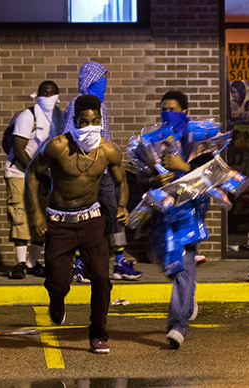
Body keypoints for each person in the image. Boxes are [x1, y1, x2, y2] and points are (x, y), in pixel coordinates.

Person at [25, 95, 129, 354]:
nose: (90, 126)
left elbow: (122, 181)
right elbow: (32, 175)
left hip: (92, 222)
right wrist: (36, 215)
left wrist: (123, 206)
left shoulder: (108, 150)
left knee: (102, 280)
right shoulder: (57, 146)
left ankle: (98, 334)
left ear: (101, 121)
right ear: (74, 121)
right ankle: (57, 298)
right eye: (84, 122)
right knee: (58, 281)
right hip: (59, 223)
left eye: (96, 121)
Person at [137, 91, 211, 349]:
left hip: (188, 212)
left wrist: (183, 166)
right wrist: (152, 180)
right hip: (161, 213)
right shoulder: (154, 141)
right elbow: (140, 177)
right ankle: (188, 299)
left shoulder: (199, 139)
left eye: (172, 108)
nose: (167, 113)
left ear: (184, 112)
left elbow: (213, 175)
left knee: (183, 267)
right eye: (163, 109)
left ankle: (177, 326)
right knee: (167, 262)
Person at [63, 61, 141, 283]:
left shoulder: (102, 106)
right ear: (89, 80)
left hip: (103, 171)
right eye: (100, 79)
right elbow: (68, 135)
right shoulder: (77, 104)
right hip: (83, 172)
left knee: (115, 211)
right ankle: (79, 264)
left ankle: (119, 261)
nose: (103, 83)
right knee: (80, 214)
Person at [5, 81, 64, 279]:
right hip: (19, 171)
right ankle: (20, 263)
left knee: (41, 215)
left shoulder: (59, 116)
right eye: (44, 93)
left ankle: (32, 262)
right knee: (20, 213)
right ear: (37, 95)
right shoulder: (27, 116)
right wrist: (36, 172)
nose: (48, 97)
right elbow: (19, 149)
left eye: (52, 93)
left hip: (43, 174)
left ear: (58, 95)